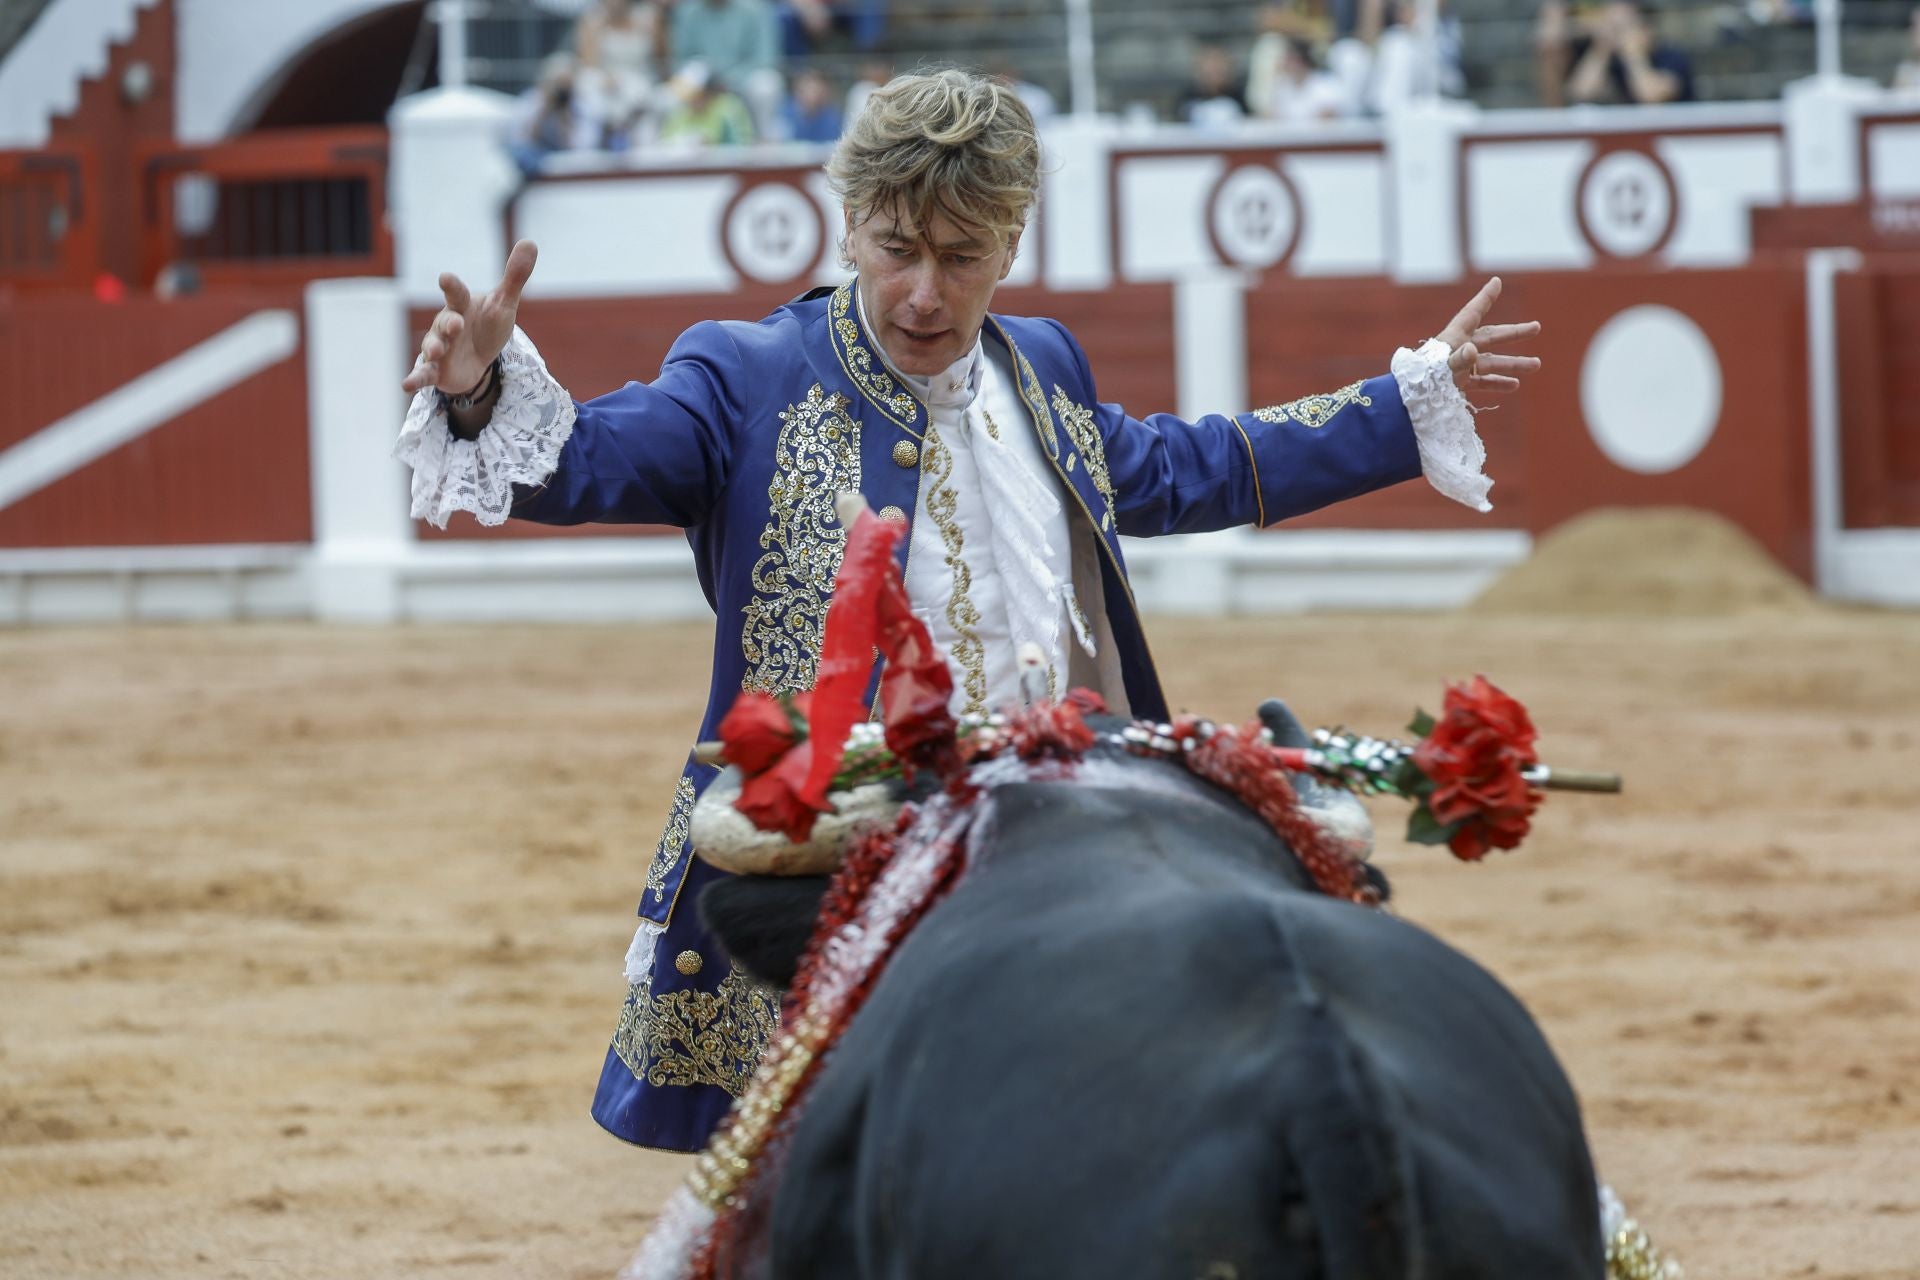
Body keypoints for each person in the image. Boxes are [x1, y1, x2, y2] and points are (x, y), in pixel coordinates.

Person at [394, 69, 1541, 1154]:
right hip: (858, 840)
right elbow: (592, 456)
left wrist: (1403, 406)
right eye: (897, 250)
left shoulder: (1040, 364)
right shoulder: (743, 374)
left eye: (963, 254)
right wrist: (483, 391)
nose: (926, 293)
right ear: (848, 225)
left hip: (1066, 810)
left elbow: (1185, 467)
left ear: (1014, 241)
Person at [1564, 0, 1695, 105]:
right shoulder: (1615, 59)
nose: (1620, 35)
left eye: (1626, 27)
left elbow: (1652, 97)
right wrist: (1602, 47)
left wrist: (1634, 55)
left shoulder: (1671, 55)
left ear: (1647, 29)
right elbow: (1581, 93)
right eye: (1614, 28)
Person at [573, 0, 665, 149]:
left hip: (639, 85)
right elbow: (588, 64)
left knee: (642, 100)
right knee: (589, 89)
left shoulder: (649, 18)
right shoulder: (592, 20)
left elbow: (661, 61)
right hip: (606, 84)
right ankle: (596, 142)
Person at [658, 60, 757, 146]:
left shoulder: (729, 108)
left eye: (696, 96)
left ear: (709, 92)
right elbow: (666, 142)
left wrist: (711, 144)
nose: (690, 102)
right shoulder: (679, 111)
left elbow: (739, 147)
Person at [778, 65, 844, 142]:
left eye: (815, 89)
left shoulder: (831, 117)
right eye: (808, 88)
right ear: (797, 91)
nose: (812, 94)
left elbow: (834, 144)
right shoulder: (786, 112)